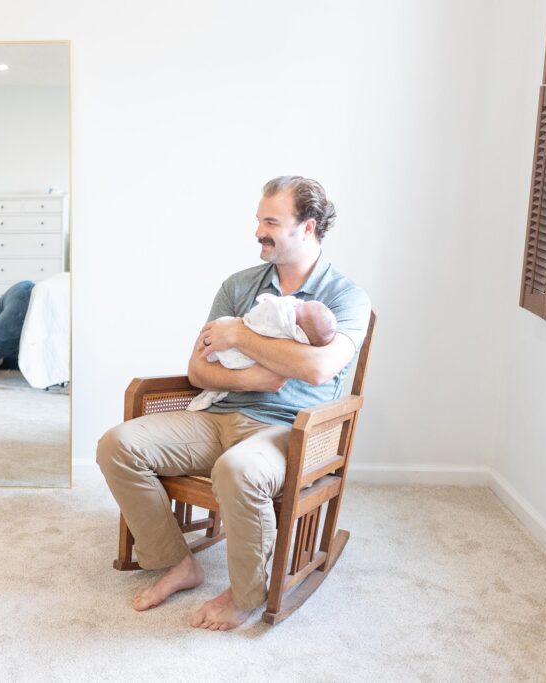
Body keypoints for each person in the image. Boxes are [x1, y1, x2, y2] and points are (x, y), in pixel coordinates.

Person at [96, 176, 371, 630]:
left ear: (308, 227)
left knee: (238, 469)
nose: (258, 231)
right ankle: (178, 563)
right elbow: (199, 370)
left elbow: (321, 369)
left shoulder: (344, 297)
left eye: (271, 221)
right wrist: (256, 376)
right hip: (215, 415)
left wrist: (240, 335)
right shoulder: (239, 285)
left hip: (288, 429)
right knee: (117, 445)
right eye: (258, 219)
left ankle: (247, 595)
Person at [185, 293, 337, 411]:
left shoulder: (341, 296)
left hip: (277, 422)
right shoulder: (236, 284)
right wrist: (247, 378)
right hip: (216, 413)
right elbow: (196, 372)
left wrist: (237, 334)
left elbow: (317, 369)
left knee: (237, 454)